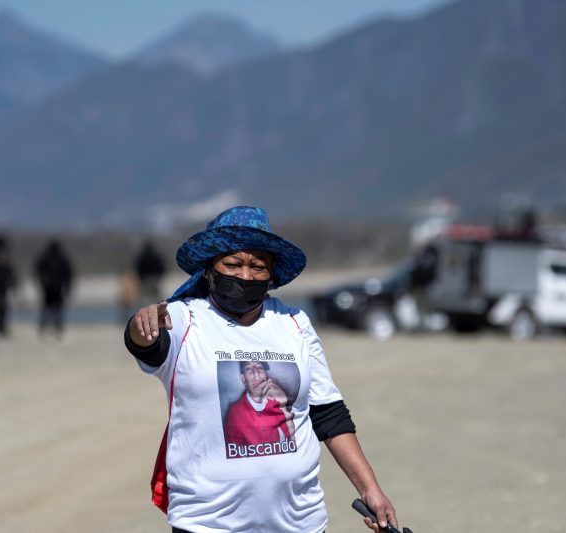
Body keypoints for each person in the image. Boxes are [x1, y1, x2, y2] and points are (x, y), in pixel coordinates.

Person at [124, 206, 397, 532]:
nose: (245, 275)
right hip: (207, 523)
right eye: (232, 264)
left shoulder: (294, 323)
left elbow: (328, 414)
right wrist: (141, 326)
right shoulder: (185, 319)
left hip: (300, 521)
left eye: (258, 266)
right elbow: (147, 344)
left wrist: (370, 489)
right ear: (209, 269)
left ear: (271, 275)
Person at [223, 361, 296, 450]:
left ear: (266, 375)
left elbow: (293, 443)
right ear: (243, 379)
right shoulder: (235, 413)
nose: (256, 373)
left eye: (260, 367)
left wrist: (283, 405)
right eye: (248, 369)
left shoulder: (276, 401)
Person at [34, 240, 74, 337]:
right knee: (55, 307)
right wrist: (67, 287)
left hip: (52, 288)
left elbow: (68, 274)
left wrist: (43, 282)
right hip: (53, 288)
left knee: (49, 307)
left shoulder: (47, 258)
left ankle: (47, 326)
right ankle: (52, 326)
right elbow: (68, 275)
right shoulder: (61, 259)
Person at [134, 240, 166, 304]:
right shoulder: (156, 256)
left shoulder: (141, 256)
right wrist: (158, 276)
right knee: (156, 297)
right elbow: (162, 267)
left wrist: (140, 277)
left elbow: (137, 267)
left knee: (144, 297)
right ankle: (157, 307)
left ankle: (145, 308)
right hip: (154, 278)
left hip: (145, 278)